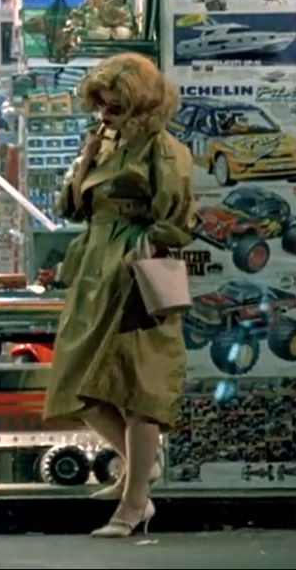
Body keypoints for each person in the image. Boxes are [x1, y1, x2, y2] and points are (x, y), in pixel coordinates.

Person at [42, 53, 195, 538]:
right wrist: (86, 158)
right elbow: (72, 208)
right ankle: (139, 470)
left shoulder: (162, 150)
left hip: (133, 272)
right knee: (80, 381)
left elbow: (177, 218)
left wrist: (142, 247)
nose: (105, 114)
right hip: (93, 269)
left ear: (140, 106)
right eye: (101, 105)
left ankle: (134, 502)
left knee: (135, 387)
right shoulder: (105, 143)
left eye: (115, 107)